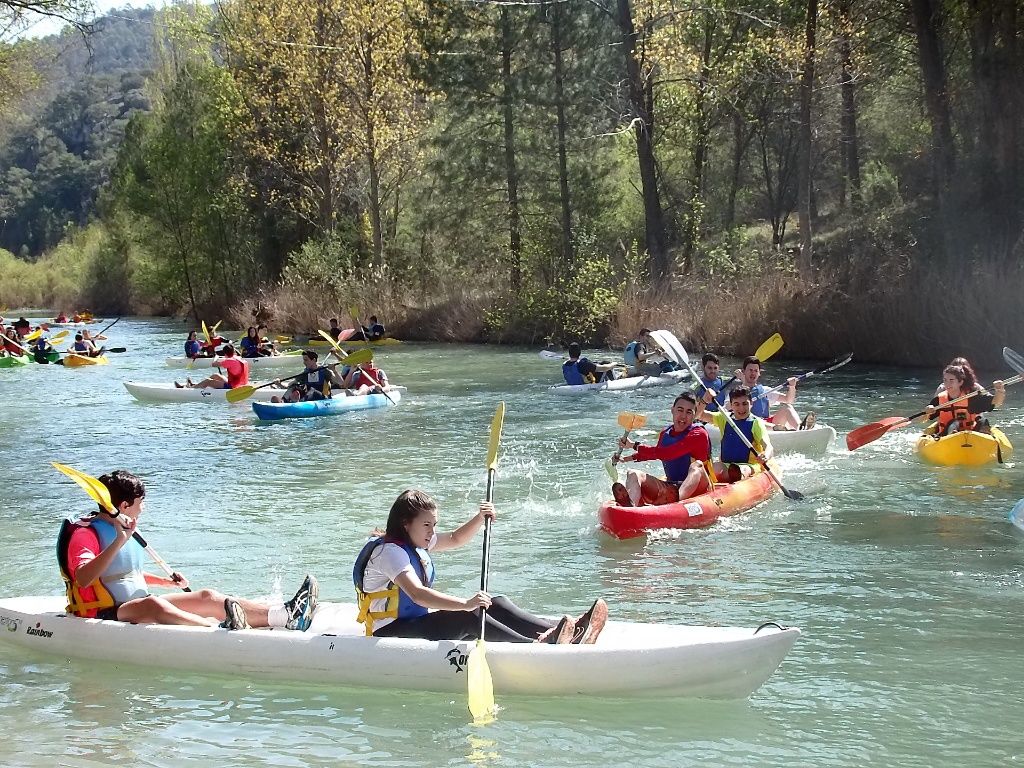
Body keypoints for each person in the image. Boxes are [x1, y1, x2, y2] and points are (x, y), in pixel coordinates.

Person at [57, 469, 318, 631]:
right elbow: (84, 578)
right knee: (153, 605)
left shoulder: (120, 528)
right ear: (125, 505)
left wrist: (163, 581)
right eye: (140, 503)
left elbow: (122, 574)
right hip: (105, 612)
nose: (143, 508)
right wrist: (119, 541)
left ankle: (284, 615)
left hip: (136, 604)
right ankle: (219, 628)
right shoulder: (86, 534)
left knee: (206, 596)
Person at [353, 489, 608, 644]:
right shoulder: (390, 553)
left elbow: (455, 538)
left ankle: (562, 630)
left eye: (434, 524)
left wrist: (480, 518)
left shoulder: (416, 541)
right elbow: (418, 594)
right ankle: (537, 646)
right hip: (389, 632)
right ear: (406, 524)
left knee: (495, 602)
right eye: (427, 525)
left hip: (414, 623)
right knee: (472, 616)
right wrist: (465, 603)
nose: (432, 531)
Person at [612, 392, 713, 506]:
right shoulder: (665, 433)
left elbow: (668, 454)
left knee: (697, 466)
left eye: (689, 412)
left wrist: (634, 445)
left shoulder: (699, 434)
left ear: (694, 415)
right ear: (672, 410)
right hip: (672, 486)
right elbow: (656, 453)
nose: (684, 416)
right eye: (680, 410)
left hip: (700, 487)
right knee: (633, 473)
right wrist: (626, 459)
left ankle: (677, 501)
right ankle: (630, 507)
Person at [697, 385, 774, 481]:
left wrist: (765, 455)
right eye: (737, 404)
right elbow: (699, 415)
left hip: (749, 466)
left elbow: (769, 447)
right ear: (731, 405)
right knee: (709, 469)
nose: (741, 408)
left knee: (743, 470)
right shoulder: (724, 418)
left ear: (751, 403)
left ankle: (734, 478)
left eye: (745, 404)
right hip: (725, 465)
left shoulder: (756, 423)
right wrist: (704, 400)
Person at [721, 356, 801, 431]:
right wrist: (743, 382)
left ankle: (801, 429)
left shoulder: (766, 390)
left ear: (759, 373)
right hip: (749, 425)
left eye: (756, 371)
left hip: (768, 427)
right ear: (744, 371)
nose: (753, 373)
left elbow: (788, 400)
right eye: (750, 370)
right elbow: (726, 409)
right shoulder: (736, 393)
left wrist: (792, 387)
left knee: (787, 408)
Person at [925, 364, 1005, 436]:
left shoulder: (971, 398)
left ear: (960, 382)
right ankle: (954, 435)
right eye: (945, 380)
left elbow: (996, 401)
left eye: (951, 380)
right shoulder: (939, 399)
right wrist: (927, 411)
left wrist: (1000, 391)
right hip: (947, 436)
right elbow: (925, 418)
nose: (947, 384)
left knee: (983, 421)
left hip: (971, 434)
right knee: (953, 423)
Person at [272, 350, 345, 403]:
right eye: (304, 360)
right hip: (309, 399)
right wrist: (279, 384)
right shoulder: (305, 373)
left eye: (306, 360)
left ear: (314, 360)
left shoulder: (325, 372)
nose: (304, 362)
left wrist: (334, 370)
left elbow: (341, 383)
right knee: (295, 386)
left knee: (312, 390)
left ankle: (299, 402)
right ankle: (283, 401)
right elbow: (289, 386)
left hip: (323, 399)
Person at [177, 345, 249, 389]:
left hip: (233, 386)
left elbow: (213, 364)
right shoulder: (238, 357)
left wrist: (216, 357)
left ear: (225, 353)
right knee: (216, 375)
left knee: (208, 381)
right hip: (241, 383)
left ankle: (190, 388)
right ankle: (195, 385)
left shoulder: (229, 361)